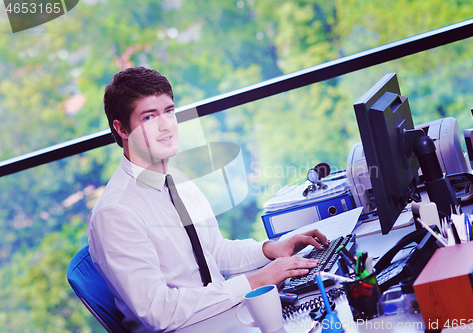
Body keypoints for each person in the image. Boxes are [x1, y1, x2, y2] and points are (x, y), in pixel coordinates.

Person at [88, 66, 328, 332]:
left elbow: (214, 252)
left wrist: (270, 250)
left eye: (169, 111)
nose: (166, 125)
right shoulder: (115, 213)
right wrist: (256, 281)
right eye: (148, 117)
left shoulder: (176, 179)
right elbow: (159, 311)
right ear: (122, 129)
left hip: (223, 314)